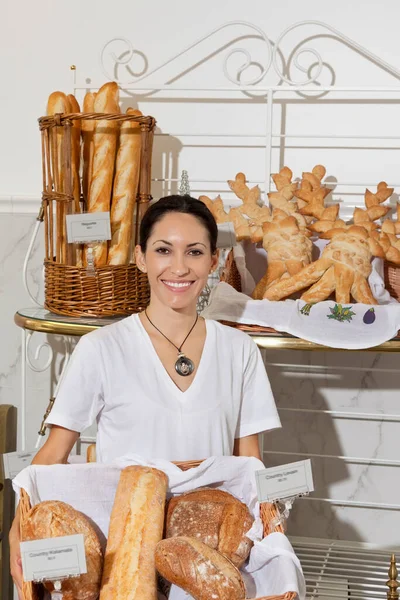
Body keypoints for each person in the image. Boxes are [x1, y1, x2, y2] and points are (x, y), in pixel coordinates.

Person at [10, 194, 281, 596]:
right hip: (124, 556)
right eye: (163, 250)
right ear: (140, 258)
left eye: (194, 252)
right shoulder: (102, 348)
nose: (179, 266)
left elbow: (251, 462)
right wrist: (19, 525)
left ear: (213, 261)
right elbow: (53, 455)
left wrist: (273, 518)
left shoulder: (239, 350)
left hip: (206, 557)